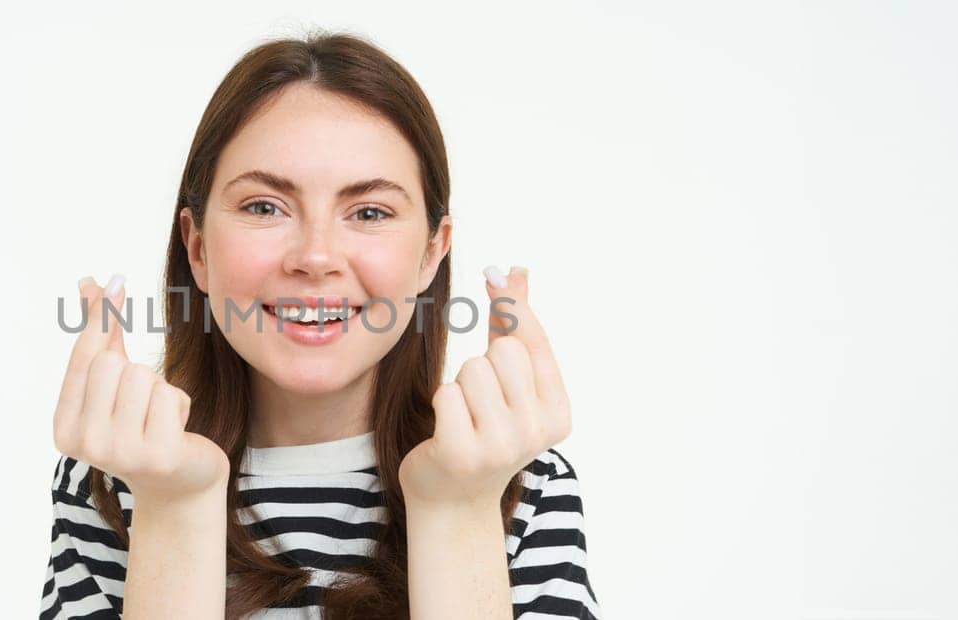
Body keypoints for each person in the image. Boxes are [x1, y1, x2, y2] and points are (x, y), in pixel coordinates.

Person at [40, 31, 601, 620]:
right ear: (197, 247)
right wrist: (174, 509)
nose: (315, 256)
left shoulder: (514, 479)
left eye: (369, 212)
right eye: (264, 207)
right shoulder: (120, 476)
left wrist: (457, 509)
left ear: (431, 254)